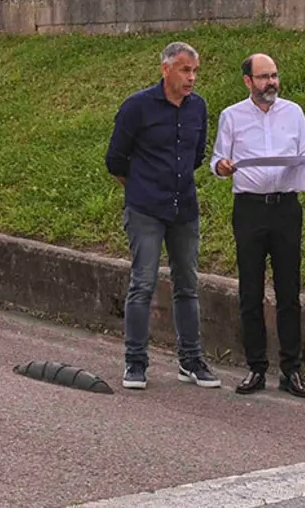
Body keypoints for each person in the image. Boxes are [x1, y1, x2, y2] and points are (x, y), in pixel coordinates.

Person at [104, 41, 221, 391]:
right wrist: (142, 186)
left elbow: (197, 155)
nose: (192, 78)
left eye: (195, 71)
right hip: (145, 210)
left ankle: (191, 360)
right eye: (185, 70)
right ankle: (136, 362)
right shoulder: (137, 107)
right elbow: (115, 160)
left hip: (184, 208)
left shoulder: (197, 108)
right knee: (143, 283)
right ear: (166, 69)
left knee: (188, 284)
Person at [209, 53, 305, 399]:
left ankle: (292, 370)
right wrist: (223, 167)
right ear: (247, 82)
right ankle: (256, 367)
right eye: (263, 77)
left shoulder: (294, 112)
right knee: (250, 292)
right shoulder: (232, 116)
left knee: (289, 292)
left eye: (274, 76)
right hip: (250, 209)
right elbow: (217, 160)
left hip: (286, 207)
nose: (271, 83)